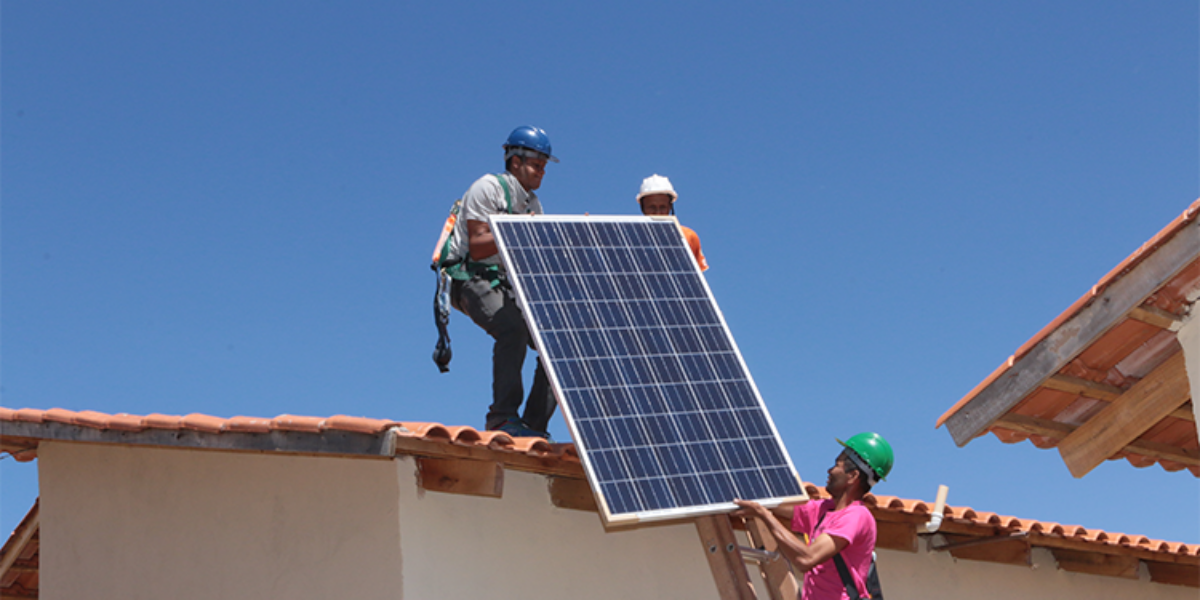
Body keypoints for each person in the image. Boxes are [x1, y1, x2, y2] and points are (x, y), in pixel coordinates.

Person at [447, 126, 559, 439]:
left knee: (558, 343)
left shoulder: (533, 205)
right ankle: (502, 417)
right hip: (471, 277)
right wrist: (517, 229)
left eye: (544, 167)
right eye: (536, 164)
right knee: (512, 328)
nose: (541, 172)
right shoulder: (489, 188)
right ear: (515, 161)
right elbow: (479, 244)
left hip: (507, 284)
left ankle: (533, 426)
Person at [734, 432, 894, 600]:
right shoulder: (824, 509)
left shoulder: (856, 516)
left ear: (852, 476)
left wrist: (763, 515)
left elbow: (806, 559)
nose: (830, 470)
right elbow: (780, 505)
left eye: (836, 464)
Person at [636, 174, 709, 271]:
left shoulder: (688, 236)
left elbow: (697, 276)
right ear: (642, 208)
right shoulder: (628, 236)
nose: (658, 213)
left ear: (670, 207)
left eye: (662, 207)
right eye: (652, 207)